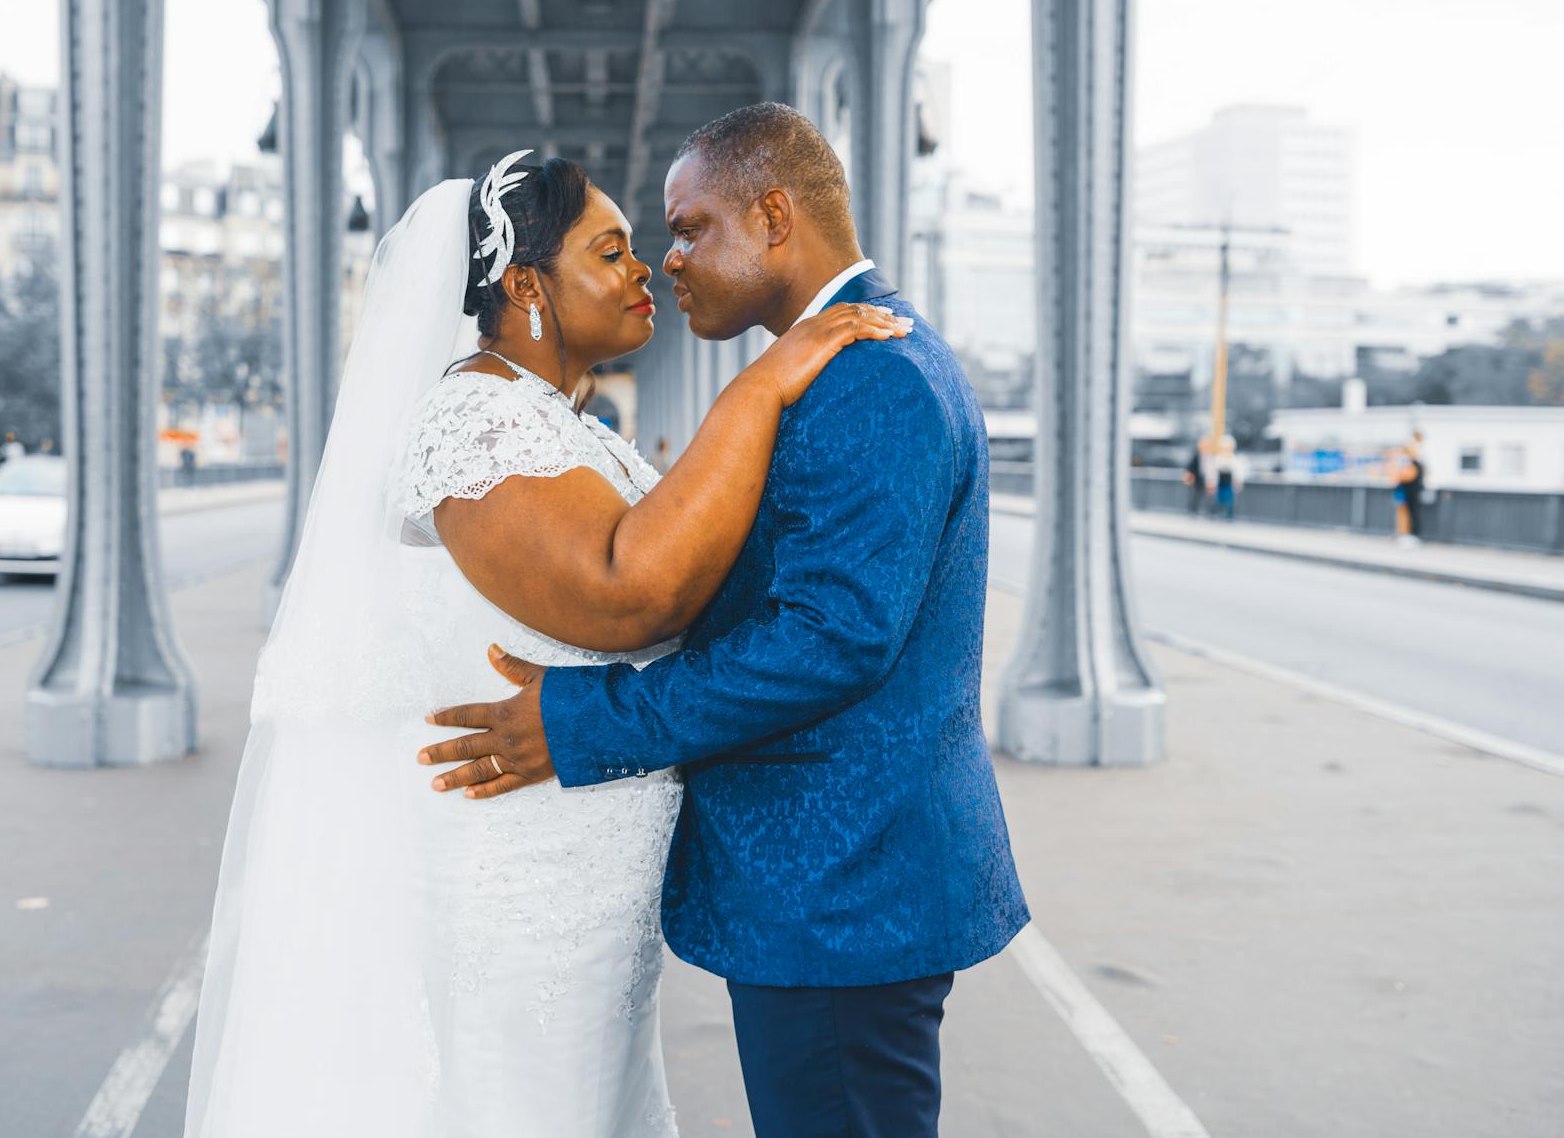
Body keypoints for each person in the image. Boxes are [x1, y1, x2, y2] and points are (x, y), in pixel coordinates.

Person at [183, 148, 911, 1137]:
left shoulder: (564, 425)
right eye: (608, 252)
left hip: (588, 898)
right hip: (518, 891)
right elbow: (628, 591)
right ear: (525, 285)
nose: (642, 267)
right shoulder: (475, 421)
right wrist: (758, 390)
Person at [420, 104, 1029, 1137]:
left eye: (691, 227)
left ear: (776, 217)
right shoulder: (841, 361)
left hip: (841, 891)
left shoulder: (866, 373)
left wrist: (581, 719)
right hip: (837, 881)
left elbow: (826, 639)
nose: (669, 260)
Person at [1394, 434, 1426, 545]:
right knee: (1410, 513)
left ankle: (1413, 535)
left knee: (1413, 513)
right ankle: (1408, 534)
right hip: (1410, 492)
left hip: (1412, 492)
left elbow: (1407, 477)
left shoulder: (1414, 464)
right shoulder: (1414, 464)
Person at [1214, 436, 1239, 521]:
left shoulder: (1233, 458)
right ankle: (1219, 513)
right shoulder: (1219, 457)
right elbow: (1216, 468)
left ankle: (1228, 515)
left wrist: (1237, 481)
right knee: (1220, 498)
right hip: (1220, 482)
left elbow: (1236, 470)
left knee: (1230, 498)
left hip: (1229, 482)